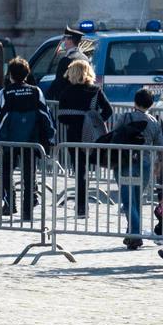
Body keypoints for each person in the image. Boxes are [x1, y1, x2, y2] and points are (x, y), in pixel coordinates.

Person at [0, 58, 55, 221]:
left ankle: (9, 203)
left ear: (11, 75)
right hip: (31, 140)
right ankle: (28, 209)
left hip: (9, 141)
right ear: (27, 74)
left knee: (7, 172)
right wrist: (50, 134)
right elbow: (45, 114)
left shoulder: (5, 92)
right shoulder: (35, 91)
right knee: (29, 174)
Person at [53, 58, 112, 217]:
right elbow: (108, 111)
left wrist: (75, 119)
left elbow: (62, 118)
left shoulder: (66, 92)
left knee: (79, 170)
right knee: (86, 169)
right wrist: (94, 119)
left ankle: (80, 206)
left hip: (74, 135)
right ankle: (83, 203)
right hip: (91, 135)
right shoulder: (95, 91)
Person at [107, 89, 163, 249]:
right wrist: (158, 166)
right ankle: (131, 233)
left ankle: (135, 234)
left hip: (125, 163)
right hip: (145, 165)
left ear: (135, 102)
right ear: (151, 104)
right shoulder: (154, 121)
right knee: (137, 199)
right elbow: (160, 146)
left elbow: (114, 135)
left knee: (128, 201)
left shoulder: (125, 117)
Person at [45, 27, 88, 92]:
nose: (64, 41)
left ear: (70, 41)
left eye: (65, 38)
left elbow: (59, 83)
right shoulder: (85, 58)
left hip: (68, 96)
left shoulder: (66, 60)